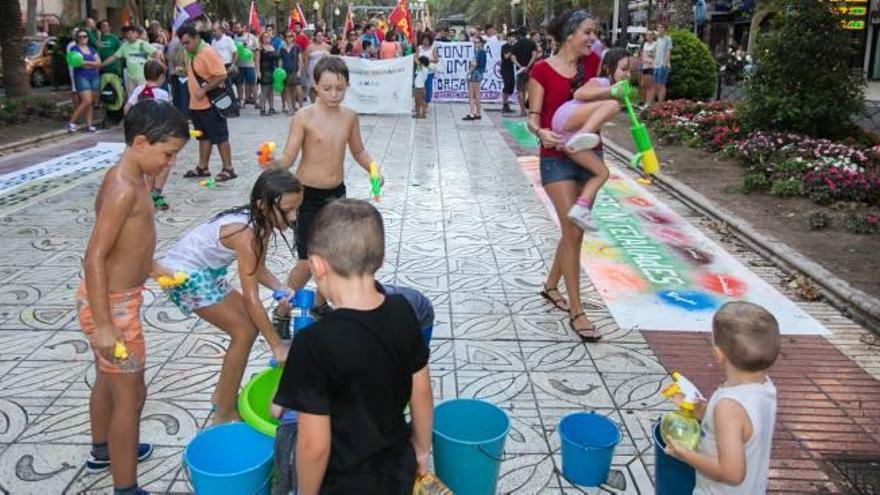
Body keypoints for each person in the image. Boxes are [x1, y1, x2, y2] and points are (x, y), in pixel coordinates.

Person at [273, 199, 433, 494]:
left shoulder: (313, 343)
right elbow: (421, 390)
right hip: (397, 469)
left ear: (317, 265)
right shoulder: (402, 311)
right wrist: (422, 450)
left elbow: (314, 446)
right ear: (380, 258)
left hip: (342, 482)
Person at [77, 100, 189, 495]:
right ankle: (125, 487)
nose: (170, 163)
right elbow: (95, 255)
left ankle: (103, 450)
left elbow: (128, 245)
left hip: (109, 300)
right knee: (132, 397)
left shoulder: (130, 176)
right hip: (113, 308)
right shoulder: (125, 187)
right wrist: (106, 324)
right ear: (141, 142)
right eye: (167, 154)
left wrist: (155, 268)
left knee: (108, 383)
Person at [156, 169, 302, 423]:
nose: (293, 217)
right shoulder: (245, 234)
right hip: (182, 274)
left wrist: (280, 286)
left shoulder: (261, 225)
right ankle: (224, 411)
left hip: (206, 272)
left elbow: (258, 269)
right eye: (287, 210)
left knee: (247, 327)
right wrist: (277, 345)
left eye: (296, 209)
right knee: (244, 331)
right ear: (262, 204)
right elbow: (251, 299)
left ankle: (221, 396)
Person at [271, 56, 380, 317]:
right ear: (315, 86)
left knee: (333, 254)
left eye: (340, 89)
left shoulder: (349, 117)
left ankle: (321, 303)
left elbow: (359, 150)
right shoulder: (304, 117)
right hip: (305, 196)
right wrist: (272, 164)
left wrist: (374, 168)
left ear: (347, 86)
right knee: (308, 261)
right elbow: (289, 156)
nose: (334, 94)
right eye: (328, 88)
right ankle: (283, 305)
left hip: (336, 195)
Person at [526, 9, 602, 341]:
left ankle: (550, 285)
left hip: (589, 158)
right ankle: (577, 310)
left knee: (573, 232)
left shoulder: (593, 67)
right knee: (573, 229)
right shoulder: (541, 70)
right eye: (587, 32)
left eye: (594, 33)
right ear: (570, 33)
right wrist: (541, 132)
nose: (593, 38)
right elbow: (533, 117)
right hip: (555, 159)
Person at [665, 301, 779, 495]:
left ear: (718, 354)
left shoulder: (728, 407)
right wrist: (702, 411)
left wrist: (685, 454)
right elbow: (744, 426)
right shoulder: (764, 387)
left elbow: (732, 473)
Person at [551, 48, 631, 231]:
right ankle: (583, 135)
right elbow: (579, 94)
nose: (628, 74)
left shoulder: (612, 92)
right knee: (612, 105)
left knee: (602, 173)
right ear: (610, 68)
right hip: (567, 118)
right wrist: (610, 90)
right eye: (624, 69)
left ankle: (581, 207)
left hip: (568, 137)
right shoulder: (601, 82)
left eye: (629, 70)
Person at [177, 24, 238, 182]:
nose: (185, 46)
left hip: (210, 103)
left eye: (187, 42)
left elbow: (221, 75)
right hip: (197, 104)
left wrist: (204, 90)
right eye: (183, 43)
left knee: (220, 136)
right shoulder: (193, 53)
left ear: (197, 38)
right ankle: (202, 167)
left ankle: (228, 168)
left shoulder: (207, 52)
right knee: (203, 137)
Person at [102, 25, 164, 96]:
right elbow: (114, 57)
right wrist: (101, 65)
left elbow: (158, 53)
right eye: (126, 34)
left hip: (143, 79)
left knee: (144, 97)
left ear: (136, 34)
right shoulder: (124, 46)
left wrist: (156, 65)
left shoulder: (142, 44)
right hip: (131, 79)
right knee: (132, 98)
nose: (128, 36)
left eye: (130, 33)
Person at [68, 29, 102, 133]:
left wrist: (87, 63)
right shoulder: (74, 49)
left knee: (91, 102)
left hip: (94, 76)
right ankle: (71, 122)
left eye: (85, 36)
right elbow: (78, 63)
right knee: (86, 100)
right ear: (77, 38)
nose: (83, 38)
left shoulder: (92, 49)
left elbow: (99, 62)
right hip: (81, 76)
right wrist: (92, 63)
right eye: (80, 37)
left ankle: (89, 124)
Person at [212, 22, 239, 116]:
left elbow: (235, 53)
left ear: (220, 30)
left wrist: (233, 65)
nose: (213, 33)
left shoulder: (228, 40)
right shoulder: (213, 41)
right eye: (213, 31)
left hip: (227, 66)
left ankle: (234, 110)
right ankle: (225, 110)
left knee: (228, 88)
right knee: (221, 90)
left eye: (215, 30)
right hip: (217, 67)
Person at [513, 26, 539, 117]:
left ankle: (522, 110)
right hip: (530, 70)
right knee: (530, 90)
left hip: (520, 71)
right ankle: (531, 111)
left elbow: (513, 57)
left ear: (519, 34)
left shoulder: (516, 44)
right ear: (526, 32)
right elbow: (534, 55)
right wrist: (528, 66)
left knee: (520, 90)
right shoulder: (531, 43)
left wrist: (520, 66)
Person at [234, 22, 260, 108]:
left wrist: (248, 46)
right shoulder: (234, 37)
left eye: (238, 28)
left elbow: (257, 49)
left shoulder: (251, 37)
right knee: (239, 84)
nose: (236, 30)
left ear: (243, 28)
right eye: (235, 28)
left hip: (250, 65)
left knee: (253, 83)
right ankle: (241, 100)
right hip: (239, 65)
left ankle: (256, 100)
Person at [463, 36, 487, 121]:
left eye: (477, 42)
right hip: (478, 73)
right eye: (475, 42)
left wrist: (469, 71)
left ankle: (472, 113)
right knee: (476, 95)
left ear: (481, 43)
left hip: (475, 73)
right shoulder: (481, 52)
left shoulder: (480, 52)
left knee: (472, 94)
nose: (476, 44)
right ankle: (477, 113)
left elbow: (475, 64)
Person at [648, 23, 672, 106]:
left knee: (661, 84)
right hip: (656, 65)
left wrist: (664, 64)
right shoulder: (658, 39)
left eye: (661, 27)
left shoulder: (667, 39)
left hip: (663, 65)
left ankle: (660, 104)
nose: (659, 29)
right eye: (658, 27)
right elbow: (656, 52)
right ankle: (654, 103)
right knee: (655, 84)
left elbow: (669, 52)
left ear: (665, 29)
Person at [257, 31, 280, 116]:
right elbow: (257, 61)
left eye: (268, 37)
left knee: (271, 91)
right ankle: (262, 109)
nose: (267, 38)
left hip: (273, 71)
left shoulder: (272, 47)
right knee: (264, 90)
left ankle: (271, 108)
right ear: (262, 38)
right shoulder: (260, 48)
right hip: (264, 71)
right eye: (265, 37)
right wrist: (258, 71)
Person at [280, 31, 303, 114]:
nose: (288, 38)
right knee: (288, 91)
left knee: (299, 91)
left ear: (293, 37)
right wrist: (280, 71)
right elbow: (280, 61)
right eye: (287, 36)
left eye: (290, 36)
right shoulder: (282, 48)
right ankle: (291, 108)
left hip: (295, 71)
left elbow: (300, 60)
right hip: (285, 72)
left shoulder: (297, 47)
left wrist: (300, 70)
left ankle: (301, 109)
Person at [305, 33, 331, 103]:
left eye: (321, 35)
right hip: (312, 69)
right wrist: (306, 70)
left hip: (324, 70)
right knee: (313, 87)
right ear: (315, 37)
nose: (320, 37)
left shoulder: (327, 47)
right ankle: (313, 103)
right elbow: (306, 59)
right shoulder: (310, 47)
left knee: (322, 87)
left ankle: (321, 103)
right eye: (318, 36)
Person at [500, 30, 516, 114]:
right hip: (505, 69)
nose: (513, 38)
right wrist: (512, 49)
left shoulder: (514, 46)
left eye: (514, 37)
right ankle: (504, 104)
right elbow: (506, 56)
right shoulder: (505, 46)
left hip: (511, 68)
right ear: (508, 37)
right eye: (512, 36)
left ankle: (507, 104)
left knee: (511, 86)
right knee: (506, 85)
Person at [639, 30, 656, 108]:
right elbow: (643, 55)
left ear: (653, 36)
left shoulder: (655, 44)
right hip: (645, 66)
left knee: (651, 85)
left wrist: (652, 62)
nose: (648, 37)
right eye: (647, 35)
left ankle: (649, 103)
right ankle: (646, 102)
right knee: (645, 85)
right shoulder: (645, 44)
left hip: (652, 66)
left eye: (650, 35)